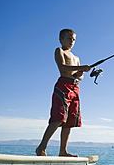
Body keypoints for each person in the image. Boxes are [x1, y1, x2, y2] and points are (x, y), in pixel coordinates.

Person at [36, 29, 91, 157]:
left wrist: (82, 72)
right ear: (61, 39)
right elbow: (63, 68)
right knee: (58, 118)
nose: (71, 41)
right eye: (68, 39)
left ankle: (63, 151)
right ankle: (41, 148)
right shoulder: (59, 51)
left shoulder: (76, 58)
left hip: (75, 88)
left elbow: (79, 77)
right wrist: (80, 68)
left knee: (70, 121)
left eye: (73, 39)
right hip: (63, 86)